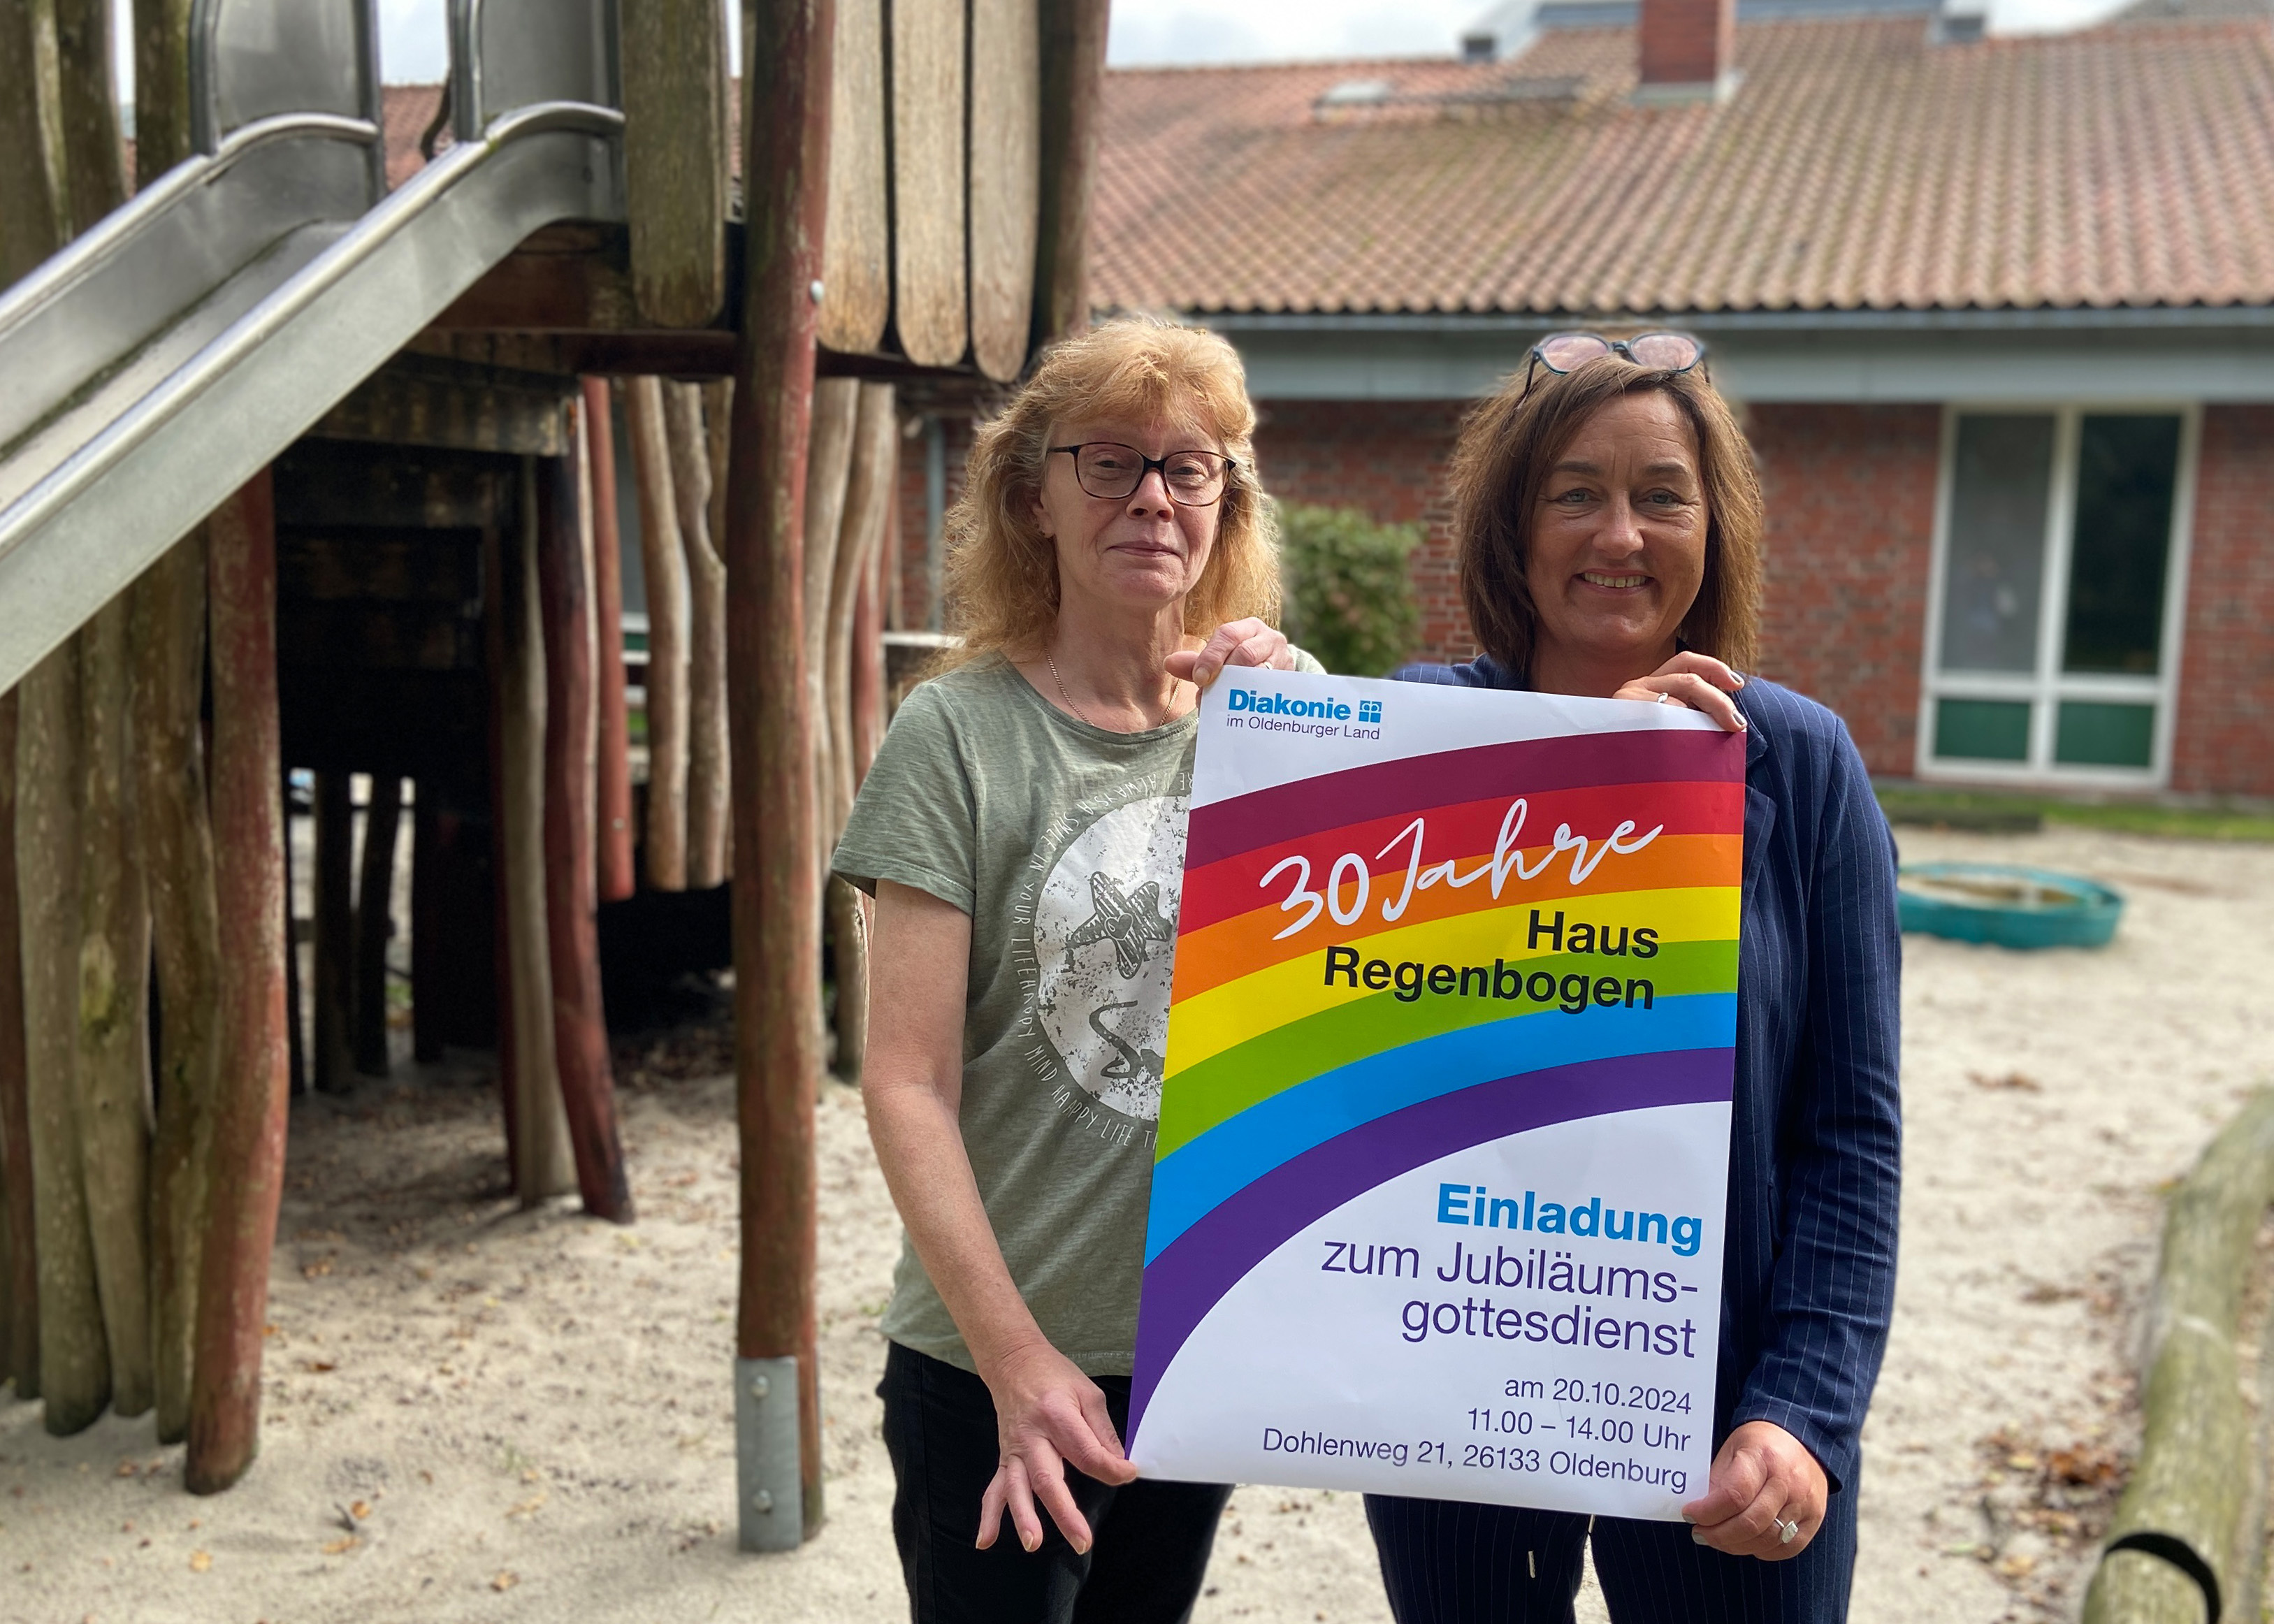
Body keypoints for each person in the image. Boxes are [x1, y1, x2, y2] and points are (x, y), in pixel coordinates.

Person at [1365, 332, 1902, 1623]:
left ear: (1712, 529)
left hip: (1730, 1421)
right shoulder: (1415, 741)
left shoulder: (1804, 765)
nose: (1620, 534)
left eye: (1663, 494)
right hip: (1461, 1387)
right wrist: (1596, 783)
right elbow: (1355, 1049)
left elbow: (1850, 1134)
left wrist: (1803, 1413)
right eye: (1575, 493)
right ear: (1513, 526)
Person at [832, 317, 1322, 1623]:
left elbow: (1383, 985)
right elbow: (905, 1082)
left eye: (1189, 466)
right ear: (1032, 499)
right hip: (991, 1365)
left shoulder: (1276, 727)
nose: (1152, 496)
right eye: (1107, 461)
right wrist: (1014, 1360)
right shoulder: (954, 736)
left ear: (1225, 504)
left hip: (1191, 1351)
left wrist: (1312, 723)